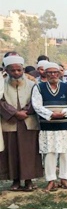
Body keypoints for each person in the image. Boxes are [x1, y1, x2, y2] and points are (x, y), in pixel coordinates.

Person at [31, 62, 67, 191]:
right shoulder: (39, 87)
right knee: (49, 153)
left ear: (59, 73)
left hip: (65, 124)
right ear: (45, 74)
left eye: (55, 72)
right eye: (50, 72)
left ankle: (64, 178)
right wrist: (51, 114)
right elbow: (37, 105)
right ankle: (51, 180)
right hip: (48, 125)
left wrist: (63, 113)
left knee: (65, 152)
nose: (53, 75)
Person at [0, 56, 43, 191]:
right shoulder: (2, 84)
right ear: (7, 70)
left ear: (23, 69)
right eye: (13, 71)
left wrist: (25, 111)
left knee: (29, 152)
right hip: (10, 122)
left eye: (19, 70)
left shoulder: (32, 84)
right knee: (12, 153)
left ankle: (29, 181)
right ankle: (15, 181)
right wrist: (14, 113)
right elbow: (1, 101)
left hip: (28, 122)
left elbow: (36, 101)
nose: (17, 73)